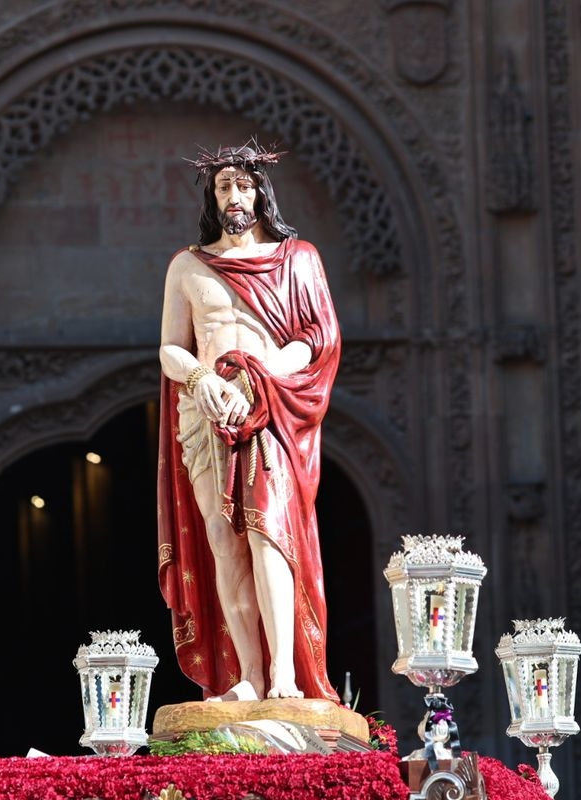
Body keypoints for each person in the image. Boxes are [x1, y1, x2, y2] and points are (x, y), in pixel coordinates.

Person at [157, 142, 340, 702]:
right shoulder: (187, 265)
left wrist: (259, 377)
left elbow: (317, 339)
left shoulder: (298, 257)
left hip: (266, 410)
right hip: (207, 414)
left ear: (261, 193)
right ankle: (249, 678)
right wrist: (202, 381)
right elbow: (169, 348)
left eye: (243, 186)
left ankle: (284, 673)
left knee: (268, 533)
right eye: (223, 188)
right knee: (223, 540)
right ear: (212, 199)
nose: (234, 197)